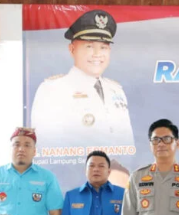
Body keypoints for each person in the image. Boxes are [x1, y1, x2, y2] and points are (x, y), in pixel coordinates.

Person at [30, 9, 133, 189]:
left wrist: (121, 174)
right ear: (72, 49)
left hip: (116, 187)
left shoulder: (116, 90)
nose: (97, 54)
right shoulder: (53, 89)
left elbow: (128, 147)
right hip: (73, 188)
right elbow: (47, 153)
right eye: (89, 46)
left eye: (103, 47)